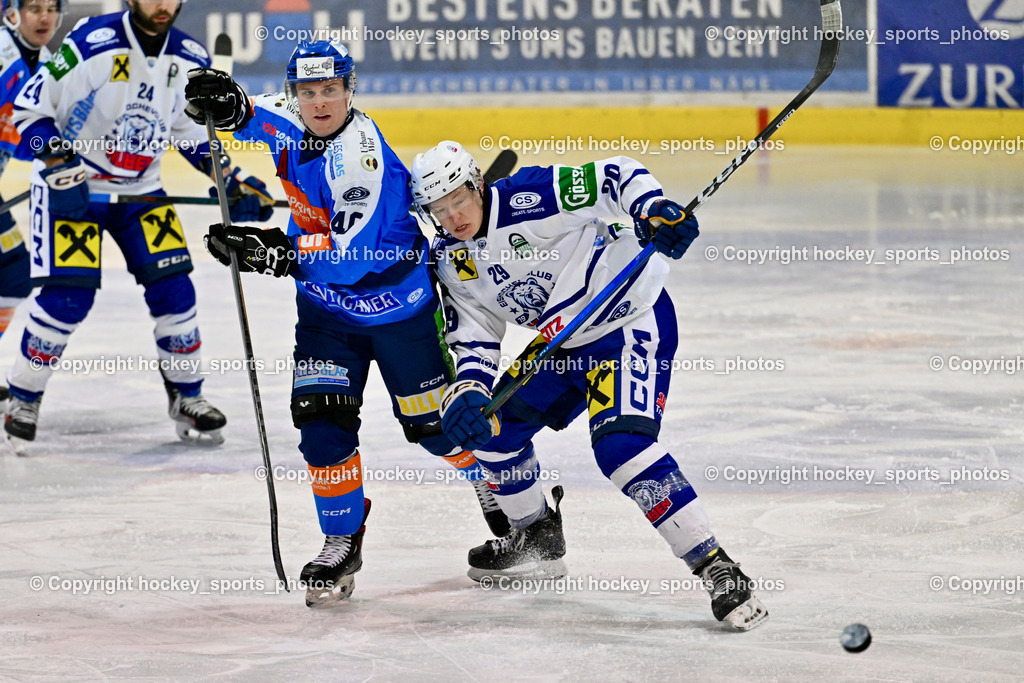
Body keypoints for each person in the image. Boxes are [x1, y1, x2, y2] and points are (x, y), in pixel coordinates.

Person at [184, 40, 510, 608]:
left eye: (329, 90)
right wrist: (223, 101)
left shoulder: (360, 155)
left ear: (349, 91)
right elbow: (252, 114)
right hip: (326, 314)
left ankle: (501, 490)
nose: (318, 102)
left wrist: (274, 252)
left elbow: (352, 255)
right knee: (321, 422)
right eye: (307, 92)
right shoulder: (294, 116)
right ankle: (341, 538)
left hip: (397, 311)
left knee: (437, 430)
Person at [411, 141, 769, 631]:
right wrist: (472, 390)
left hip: (628, 322)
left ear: (477, 186)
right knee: (491, 433)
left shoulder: (530, 196)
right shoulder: (452, 262)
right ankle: (536, 536)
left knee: (621, 448)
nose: (452, 216)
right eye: (438, 208)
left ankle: (716, 566)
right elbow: (473, 336)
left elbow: (614, 175)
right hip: (561, 346)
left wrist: (650, 209)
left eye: (458, 200)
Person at [3, 0, 274, 452]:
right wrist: (57, 162)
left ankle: (188, 396)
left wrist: (231, 181)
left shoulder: (191, 57)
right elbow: (29, 110)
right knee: (68, 296)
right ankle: (23, 398)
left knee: (175, 290)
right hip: (75, 187)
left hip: (141, 190)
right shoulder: (93, 41)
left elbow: (191, 136)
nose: (162, 4)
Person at [0, 0, 61, 405]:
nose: (44, 16)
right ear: (11, 14)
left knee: (14, 273)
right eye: (34, 7)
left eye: (51, 7)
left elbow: (29, 137)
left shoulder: (49, 61)